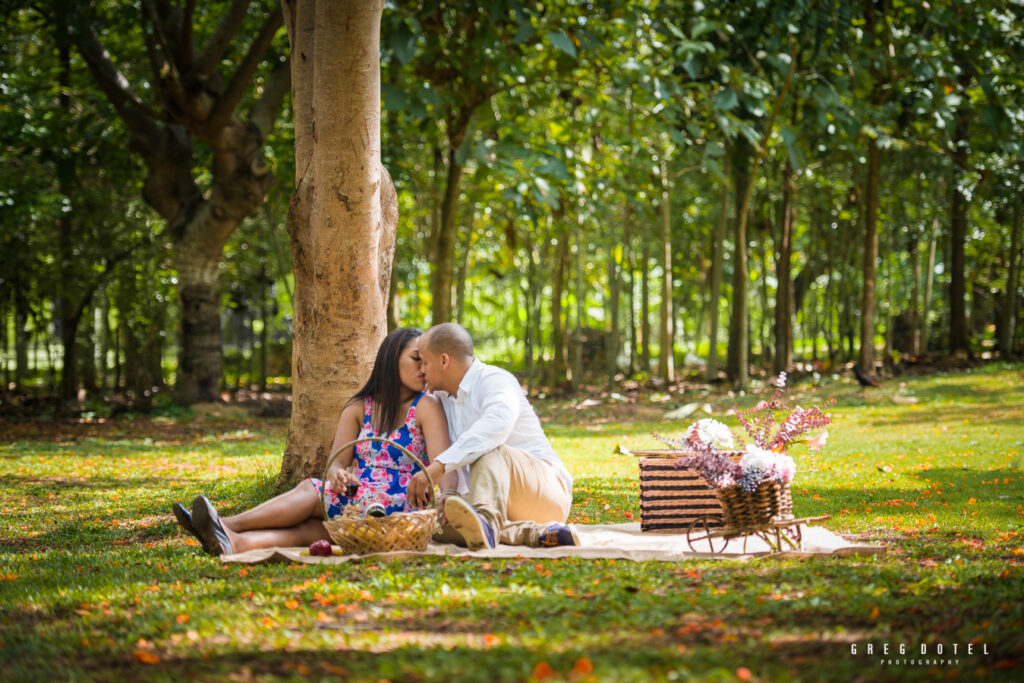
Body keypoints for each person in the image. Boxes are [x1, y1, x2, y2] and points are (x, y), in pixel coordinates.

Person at [171, 327, 461, 555]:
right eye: (415, 359)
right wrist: (337, 476)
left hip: (398, 509)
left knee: (311, 490)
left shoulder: (426, 406)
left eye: (427, 362)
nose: (424, 368)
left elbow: (444, 465)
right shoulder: (359, 407)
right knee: (313, 529)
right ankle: (233, 542)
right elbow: (336, 463)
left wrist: (448, 497)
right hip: (355, 501)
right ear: (390, 357)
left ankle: (222, 523)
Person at [407, 322, 579, 550]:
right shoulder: (441, 398)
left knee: (488, 447)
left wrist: (439, 466)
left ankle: (485, 521)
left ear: (444, 361)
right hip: (493, 500)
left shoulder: (496, 381)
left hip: (545, 493)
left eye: (426, 363)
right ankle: (533, 534)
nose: (422, 371)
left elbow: (495, 428)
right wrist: (449, 494)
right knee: (430, 525)